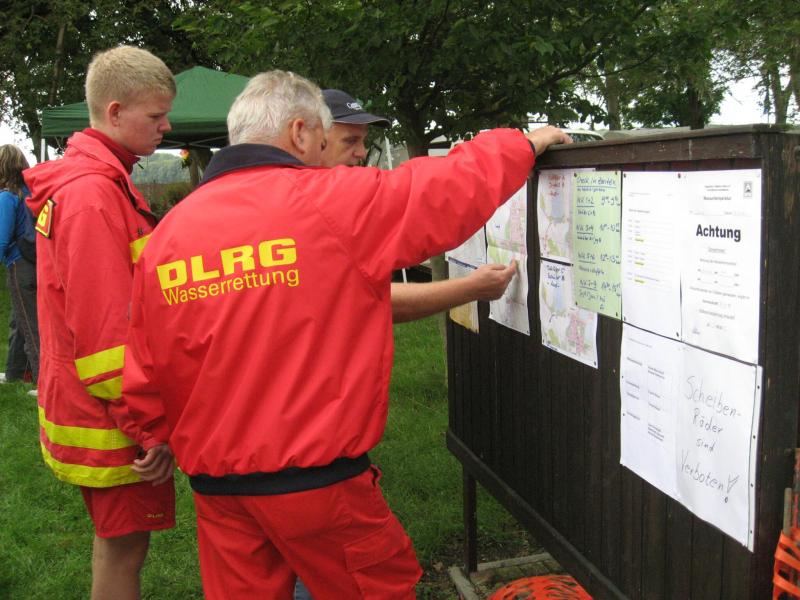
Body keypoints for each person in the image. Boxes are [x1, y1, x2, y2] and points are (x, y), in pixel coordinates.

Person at [120, 70, 570, 600]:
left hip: (219, 493)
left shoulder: (170, 233)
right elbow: (441, 189)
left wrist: (151, 431)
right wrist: (522, 144)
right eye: (321, 137)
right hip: (317, 484)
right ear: (298, 132)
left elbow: (144, 355)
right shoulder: (327, 200)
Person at [23, 46, 176, 600]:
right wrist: (150, 430)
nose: (166, 126)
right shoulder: (92, 195)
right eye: (155, 115)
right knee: (124, 550)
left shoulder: (99, 181)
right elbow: (106, 340)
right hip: (112, 416)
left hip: (97, 407)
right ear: (114, 112)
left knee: (117, 544)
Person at [321, 88, 518, 323]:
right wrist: (471, 288)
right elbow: (363, 301)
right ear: (309, 138)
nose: (362, 152)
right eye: (350, 140)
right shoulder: (315, 212)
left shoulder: (306, 203)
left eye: (364, 141)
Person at [0, 144, 39, 388]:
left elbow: (2, 239)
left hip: (19, 264)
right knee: (20, 319)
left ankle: (44, 381)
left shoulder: (7, 196)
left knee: (30, 324)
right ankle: (14, 372)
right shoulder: (30, 193)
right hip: (35, 260)